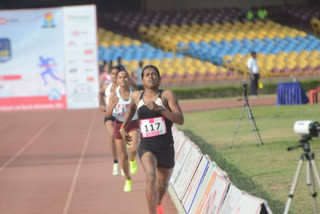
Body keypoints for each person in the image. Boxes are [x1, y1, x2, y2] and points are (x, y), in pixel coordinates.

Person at [119, 65, 184, 214]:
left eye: (153, 74)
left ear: (159, 79)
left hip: (166, 147)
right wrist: (123, 127)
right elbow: (130, 110)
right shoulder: (136, 96)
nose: (150, 76)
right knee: (150, 176)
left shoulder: (166, 95)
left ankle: (158, 202)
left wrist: (160, 109)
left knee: (163, 184)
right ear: (142, 79)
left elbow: (180, 119)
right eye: (147, 74)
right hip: (147, 146)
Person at [105, 68, 139, 193]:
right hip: (118, 125)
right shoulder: (114, 95)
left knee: (133, 148)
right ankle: (127, 179)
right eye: (120, 77)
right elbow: (108, 114)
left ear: (129, 79)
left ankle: (133, 159)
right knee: (123, 156)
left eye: (125, 77)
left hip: (133, 123)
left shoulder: (134, 93)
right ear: (117, 81)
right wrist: (113, 105)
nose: (123, 79)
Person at [98, 65, 122, 176]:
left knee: (122, 139)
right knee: (113, 135)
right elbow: (100, 93)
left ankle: (124, 161)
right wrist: (101, 104)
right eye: (112, 73)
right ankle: (115, 162)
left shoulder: (124, 88)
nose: (114, 76)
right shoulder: (107, 86)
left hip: (122, 115)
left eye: (116, 74)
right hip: (110, 114)